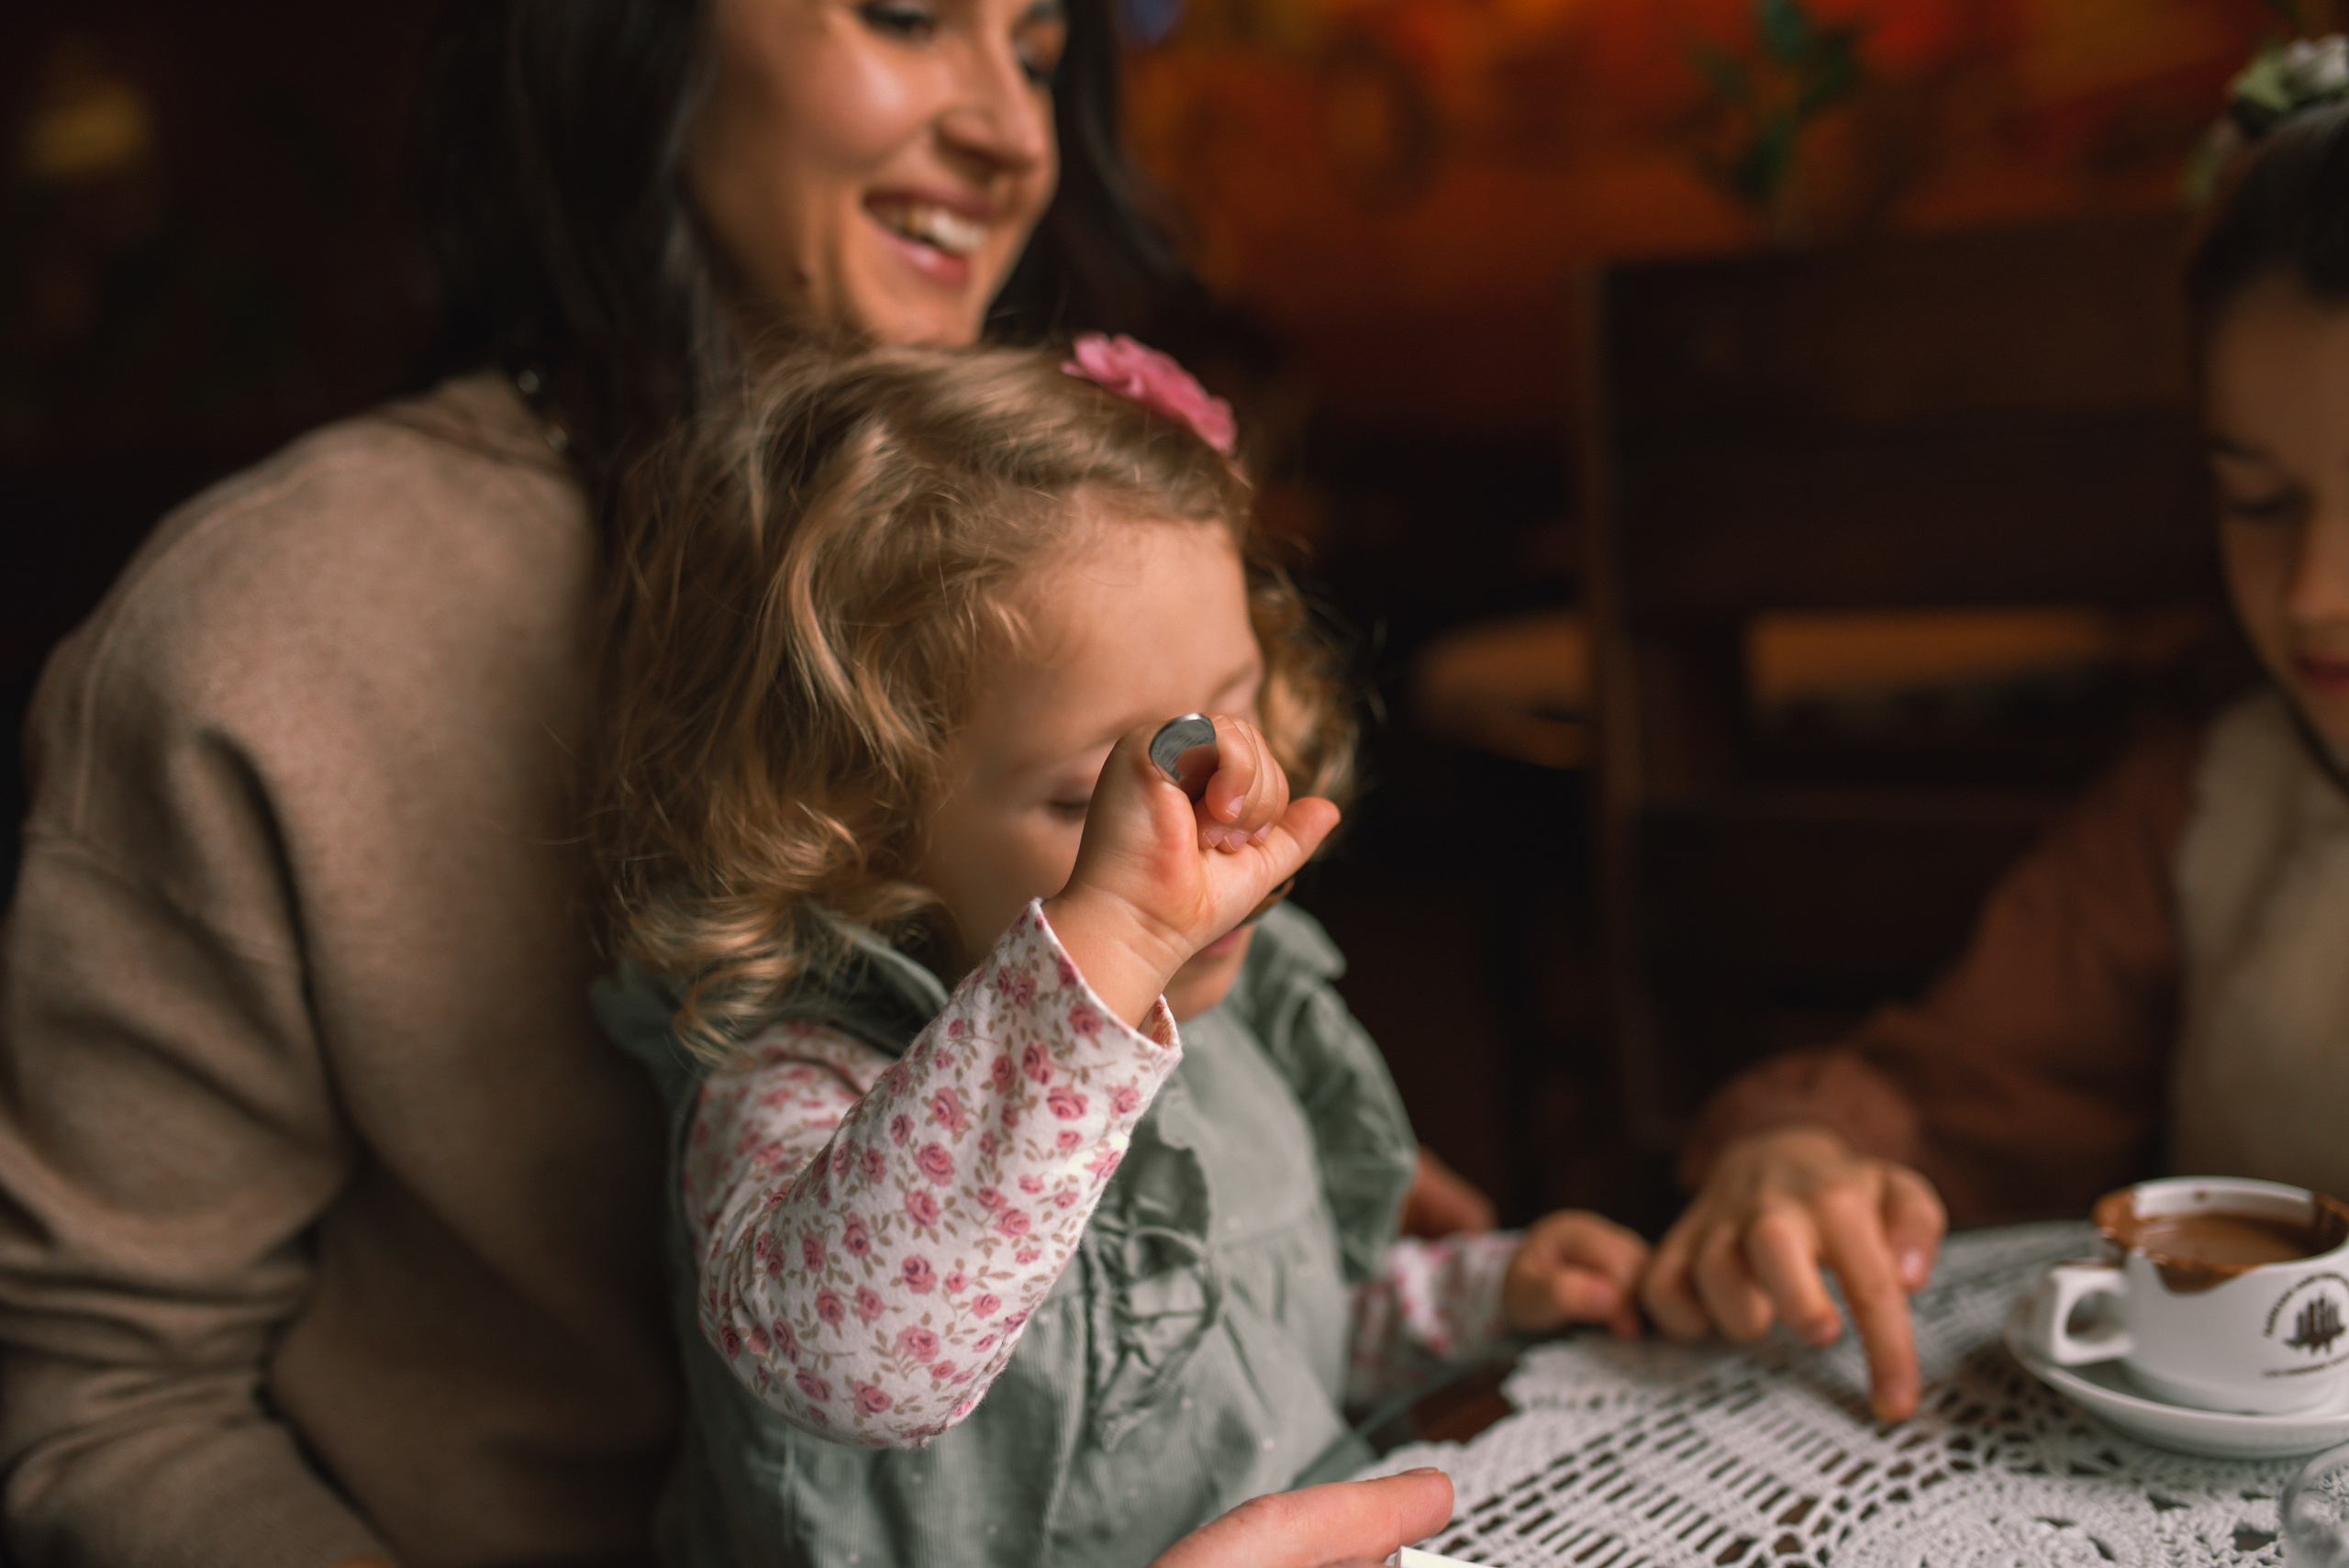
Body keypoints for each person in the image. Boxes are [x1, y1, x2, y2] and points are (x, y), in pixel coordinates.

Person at [0, 0, 1489, 1562]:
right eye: (907, 14)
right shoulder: (266, 630)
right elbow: (100, 1401)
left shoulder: (1086, 565)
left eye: (1041, 49)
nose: (1016, 133)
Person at [587, 335, 1651, 1565]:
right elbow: (861, 1366)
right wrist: (1114, 944)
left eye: (1234, 715)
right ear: (857, 827)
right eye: (1108, 792)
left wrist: (1472, 1298)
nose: (1224, 808)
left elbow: (1259, 1341)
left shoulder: (1239, 1031)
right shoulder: (800, 1081)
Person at [1641, 58, 2349, 1428]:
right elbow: (1948, 1094)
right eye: (2258, 502)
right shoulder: (2198, 815)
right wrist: (1804, 1159)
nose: (2318, 589)